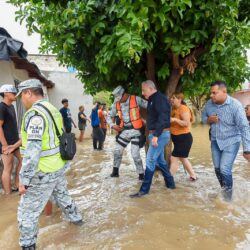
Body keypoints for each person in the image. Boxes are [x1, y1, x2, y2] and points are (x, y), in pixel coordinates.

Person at [14, 79, 82, 250]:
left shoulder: (35, 114)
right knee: (62, 196)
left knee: (27, 213)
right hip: (58, 165)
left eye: (22, 95)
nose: (21, 99)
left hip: (42, 170)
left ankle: (28, 246)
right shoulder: (52, 109)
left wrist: (24, 178)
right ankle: (78, 223)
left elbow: (33, 150)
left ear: (29, 93)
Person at [202, 80, 250, 201]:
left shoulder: (236, 105)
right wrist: (209, 119)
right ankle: (224, 188)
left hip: (231, 141)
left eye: (214, 93)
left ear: (224, 91)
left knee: (224, 168)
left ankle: (228, 199)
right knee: (217, 169)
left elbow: (244, 127)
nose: (211, 95)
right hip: (215, 141)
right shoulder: (209, 104)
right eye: (211, 93)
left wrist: (247, 149)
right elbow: (203, 119)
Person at [130, 80, 175, 197]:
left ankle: (144, 191)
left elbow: (164, 118)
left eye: (144, 90)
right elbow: (155, 119)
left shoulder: (160, 99)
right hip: (156, 134)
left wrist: (156, 136)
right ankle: (170, 184)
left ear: (151, 88)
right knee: (160, 161)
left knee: (150, 160)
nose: (142, 93)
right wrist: (146, 123)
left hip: (159, 135)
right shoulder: (152, 99)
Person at [107, 85, 147, 180]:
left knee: (135, 154)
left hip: (136, 131)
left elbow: (150, 105)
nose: (118, 100)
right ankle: (115, 172)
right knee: (117, 151)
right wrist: (112, 125)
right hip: (124, 131)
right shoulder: (115, 104)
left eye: (119, 97)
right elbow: (108, 116)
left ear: (124, 94)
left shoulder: (136, 99)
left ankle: (141, 175)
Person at [169, 92, 197, 181]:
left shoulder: (183, 108)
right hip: (177, 139)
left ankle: (169, 180)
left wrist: (175, 119)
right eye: (171, 98)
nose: (171, 99)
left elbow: (186, 123)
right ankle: (193, 176)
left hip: (184, 138)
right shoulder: (173, 109)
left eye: (173, 98)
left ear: (179, 99)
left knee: (173, 158)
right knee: (183, 159)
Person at [0, 84, 22, 194]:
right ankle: (8, 194)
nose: (15, 95)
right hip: (6, 143)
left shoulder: (11, 107)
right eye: (13, 93)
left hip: (15, 141)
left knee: (22, 160)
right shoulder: (1, 107)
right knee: (8, 167)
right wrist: (4, 145)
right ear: (6, 94)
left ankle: (17, 183)